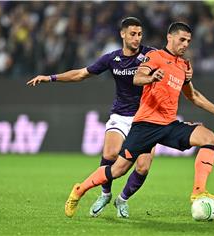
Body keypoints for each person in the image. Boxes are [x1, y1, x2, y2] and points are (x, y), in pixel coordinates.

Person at [64, 22, 214, 218]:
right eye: (182, 39)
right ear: (169, 38)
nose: (185, 44)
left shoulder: (184, 65)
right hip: (145, 125)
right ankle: (80, 189)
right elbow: (138, 77)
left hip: (169, 124)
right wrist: (152, 78)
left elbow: (194, 95)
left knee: (209, 138)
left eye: (188, 41)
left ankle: (198, 191)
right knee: (118, 169)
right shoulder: (155, 57)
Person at [27, 17, 162, 218]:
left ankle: (122, 200)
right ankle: (105, 194)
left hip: (146, 117)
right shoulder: (111, 58)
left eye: (139, 34)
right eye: (132, 34)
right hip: (121, 115)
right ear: (122, 34)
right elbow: (81, 74)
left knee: (142, 167)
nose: (136, 38)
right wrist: (50, 77)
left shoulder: (151, 55)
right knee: (109, 154)